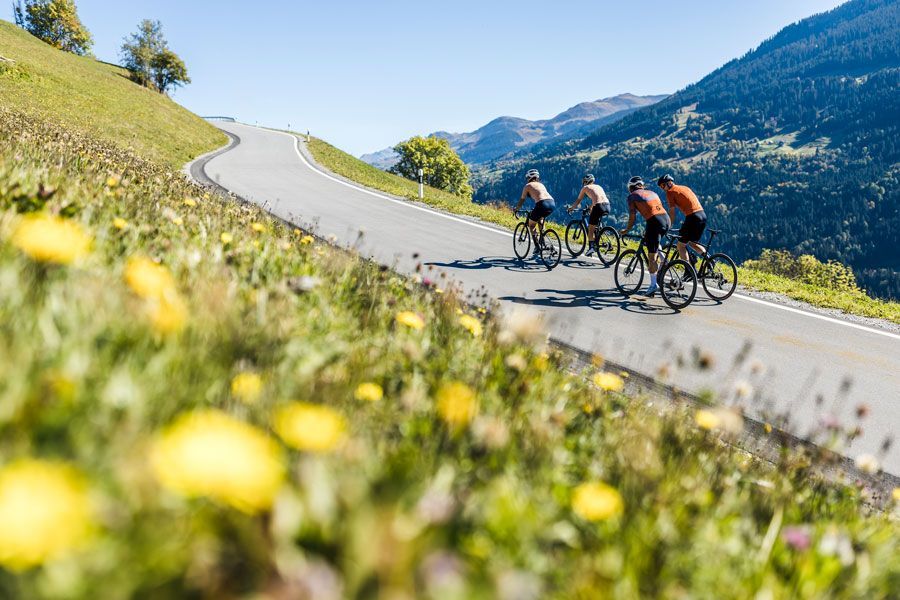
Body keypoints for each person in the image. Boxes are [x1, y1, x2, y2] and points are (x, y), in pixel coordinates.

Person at [619, 176, 670, 296]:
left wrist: (627, 229)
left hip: (654, 221)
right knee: (653, 241)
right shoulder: (652, 192)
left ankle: (653, 285)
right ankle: (663, 260)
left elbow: (632, 216)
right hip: (666, 219)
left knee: (651, 257)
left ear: (631, 187)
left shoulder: (632, 196)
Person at [658, 174, 707, 264]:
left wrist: (668, 225)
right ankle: (709, 260)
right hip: (702, 215)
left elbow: (672, 212)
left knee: (680, 246)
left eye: (662, 186)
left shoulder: (670, 192)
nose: (662, 188)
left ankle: (688, 270)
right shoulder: (684, 187)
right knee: (692, 243)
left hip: (693, 217)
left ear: (669, 183)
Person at [567, 174, 611, 257]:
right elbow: (598, 199)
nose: (583, 183)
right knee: (595, 223)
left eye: (584, 181)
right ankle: (599, 236)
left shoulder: (585, 188)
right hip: (607, 205)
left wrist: (571, 208)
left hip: (598, 206)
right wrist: (590, 207)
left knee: (590, 229)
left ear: (585, 181)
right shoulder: (599, 186)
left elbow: (578, 200)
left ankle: (591, 248)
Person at [514, 169, 556, 254]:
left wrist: (517, 209)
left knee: (532, 225)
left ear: (528, 178)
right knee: (540, 221)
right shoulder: (541, 185)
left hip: (542, 204)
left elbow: (522, 200)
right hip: (552, 203)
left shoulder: (528, 185)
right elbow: (540, 197)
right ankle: (543, 242)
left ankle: (537, 247)